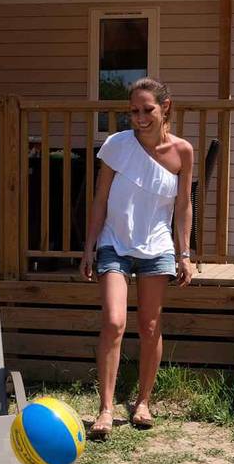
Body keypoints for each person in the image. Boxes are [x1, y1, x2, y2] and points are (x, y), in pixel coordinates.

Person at [80, 77, 195, 438]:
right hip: (115, 242)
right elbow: (100, 199)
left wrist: (185, 253)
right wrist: (90, 245)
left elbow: (183, 204)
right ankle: (105, 408)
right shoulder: (116, 145)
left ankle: (143, 401)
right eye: (134, 110)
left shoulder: (183, 152)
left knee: (148, 326)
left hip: (157, 247)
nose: (141, 117)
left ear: (166, 108)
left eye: (148, 109)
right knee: (114, 322)